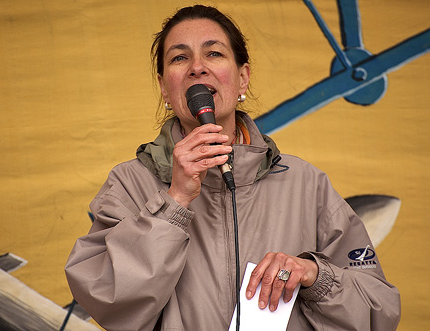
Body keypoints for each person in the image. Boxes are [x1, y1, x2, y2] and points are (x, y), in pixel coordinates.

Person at [65, 5, 401, 330]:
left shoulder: (306, 183)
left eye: (214, 54)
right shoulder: (128, 182)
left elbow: (378, 312)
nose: (197, 67)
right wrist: (175, 200)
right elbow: (107, 298)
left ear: (243, 78)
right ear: (165, 88)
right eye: (180, 58)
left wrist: (314, 275)